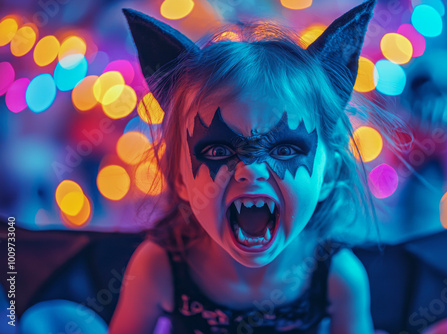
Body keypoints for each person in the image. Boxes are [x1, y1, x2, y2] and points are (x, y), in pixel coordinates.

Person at [110, 1, 378, 333]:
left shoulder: (337, 277)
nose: (251, 170)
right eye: (218, 149)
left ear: (327, 175)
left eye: (284, 148)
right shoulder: (158, 268)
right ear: (179, 176)